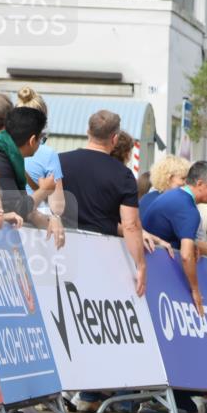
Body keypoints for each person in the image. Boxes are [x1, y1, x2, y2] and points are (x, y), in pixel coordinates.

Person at [140, 161, 207, 413]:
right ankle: (169, 399)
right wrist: (195, 290)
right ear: (200, 183)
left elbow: (190, 244)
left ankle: (173, 398)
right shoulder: (187, 208)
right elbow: (187, 254)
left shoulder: (175, 198)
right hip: (161, 279)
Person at [59, 110, 146, 292]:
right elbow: (130, 225)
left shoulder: (59, 161)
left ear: (87, 132)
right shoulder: (123, 175)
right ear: (114, 139)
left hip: (62, 248)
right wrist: (140, 264)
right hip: (103, 254)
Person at [0, 108, 64, 246]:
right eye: (41, 139)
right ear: (33, 140)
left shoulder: (10, 154)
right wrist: (43, 190)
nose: (41, 143)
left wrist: (51, 219)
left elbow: (26, 211)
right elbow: (16, 209)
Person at [17, 87, 66, 226]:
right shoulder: (48, 154)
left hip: (5, 222)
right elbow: (57, 207)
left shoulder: (3, 146)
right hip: (33, 227)